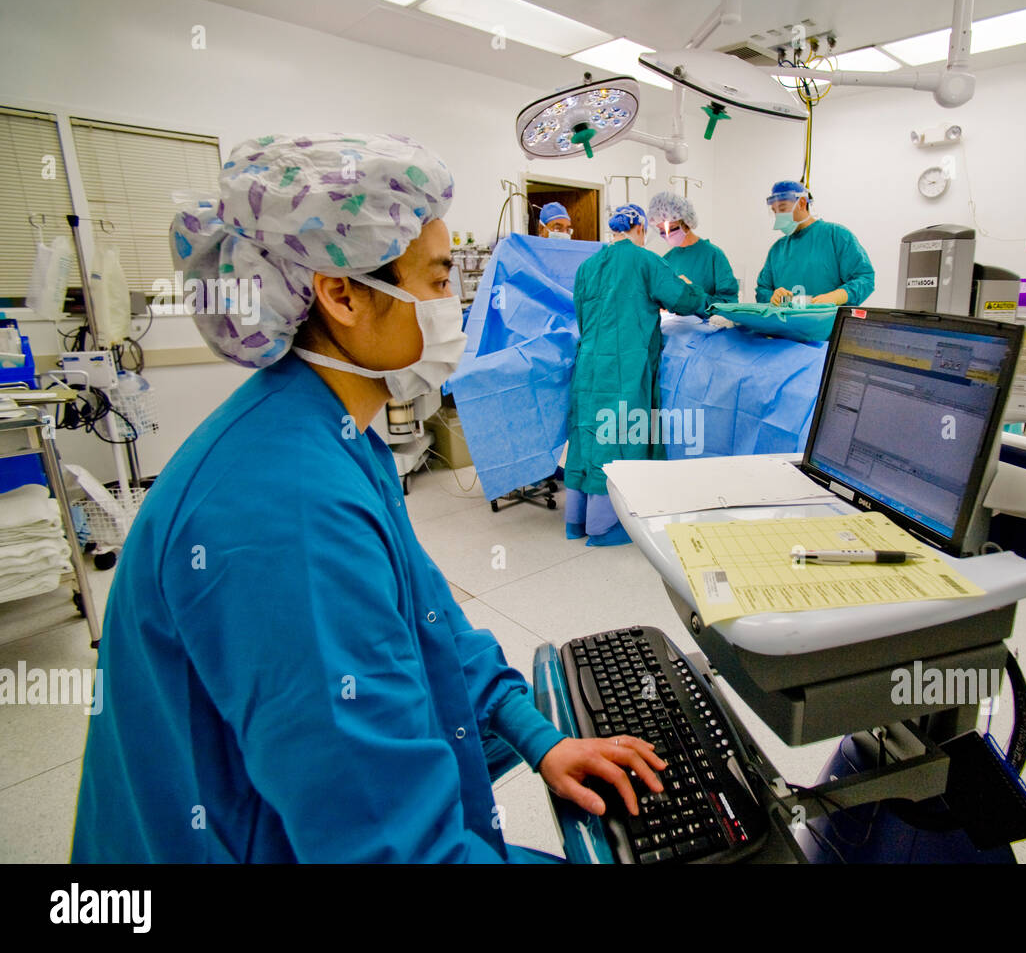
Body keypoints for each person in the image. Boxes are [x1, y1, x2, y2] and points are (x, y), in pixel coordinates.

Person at [71, 133, 665, 863]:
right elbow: (392, 852)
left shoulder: (333, 432)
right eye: (440, 280)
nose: (453, 306)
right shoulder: (285, 512)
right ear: (342, 294)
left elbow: (432, 624)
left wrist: (541, 739)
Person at [564, 204, 706, 545]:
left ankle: (577, 521)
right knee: (619, 437)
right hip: (625, 366)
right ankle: (607, 526)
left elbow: (584, 316)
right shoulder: (645, 261)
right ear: (639, 228)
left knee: (587, 436)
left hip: (589, 364)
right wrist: (697, 294)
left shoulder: (587, 266)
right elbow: (683, 300)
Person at [755, 180, 875, 307]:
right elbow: (763, 290)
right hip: (786, 325)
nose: (778, 216)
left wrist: (838, 295)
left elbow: (865, 278)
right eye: (774, 211)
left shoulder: (836, 235)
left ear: (801, 203)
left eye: (782, 208)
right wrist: (773, 297)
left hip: (828, 324)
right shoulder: (777, 249)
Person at [647, 191, 738, 309]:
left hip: (706, 326)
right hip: (672, 326)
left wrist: (692, 295)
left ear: (687, 222)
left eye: (672, 228)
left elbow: (729, 304)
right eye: (661, 230)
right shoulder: (666, 260)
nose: (667, 234)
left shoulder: (714, 256)